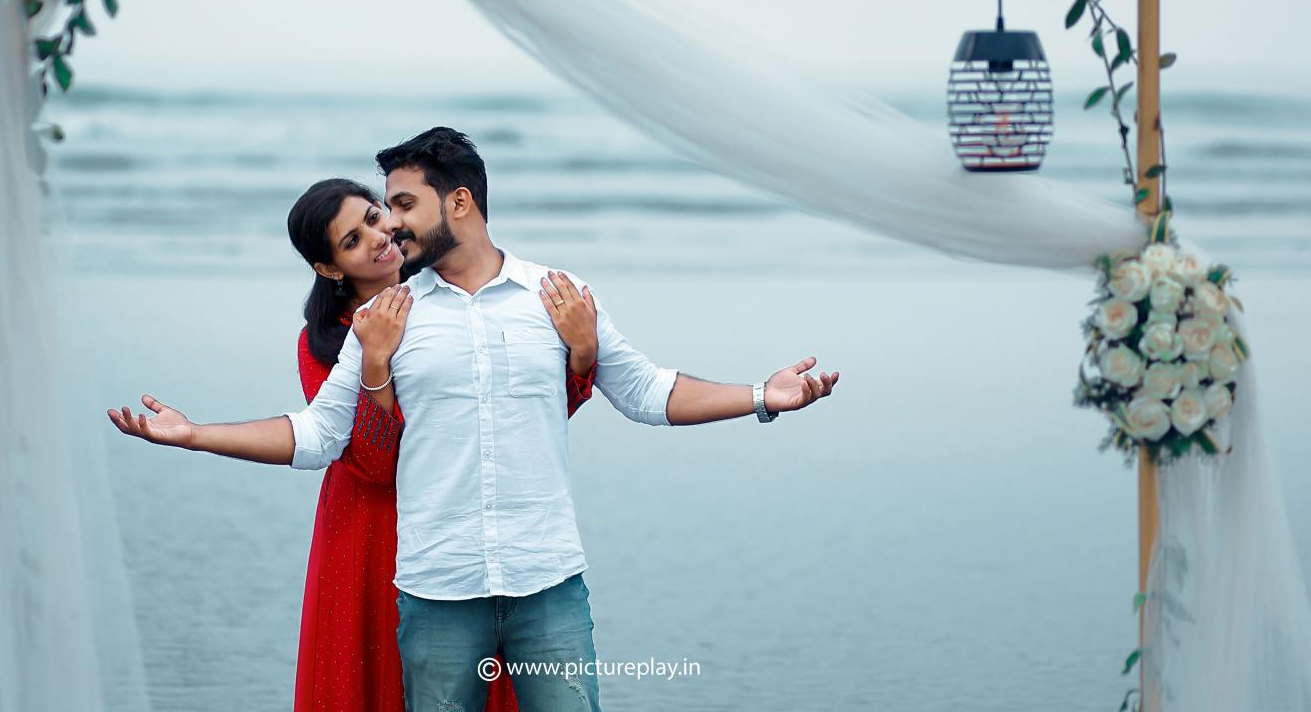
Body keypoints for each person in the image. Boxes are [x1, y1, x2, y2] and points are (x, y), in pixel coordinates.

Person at [108, 127, 839, 712]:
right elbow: (318, 435)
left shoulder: (559, 295)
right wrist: (196, 434)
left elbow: (647, 391)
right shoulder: (384, 318)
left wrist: (760, 394)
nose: (391, 224)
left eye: (401, 204)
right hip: (436, 591)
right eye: (380, 211)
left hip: (548, 583)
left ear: (459, 202)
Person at [285, 177, 597, 712]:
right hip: (370, 526)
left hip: (467, 518)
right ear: (329, 268)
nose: (378, 237)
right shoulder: (326, 342)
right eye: (352, 241)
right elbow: (375, 465)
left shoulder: (451, 296)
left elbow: (518, 417)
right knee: (385, 677)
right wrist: (376, 363)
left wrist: (582, 355)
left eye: (374, 216)